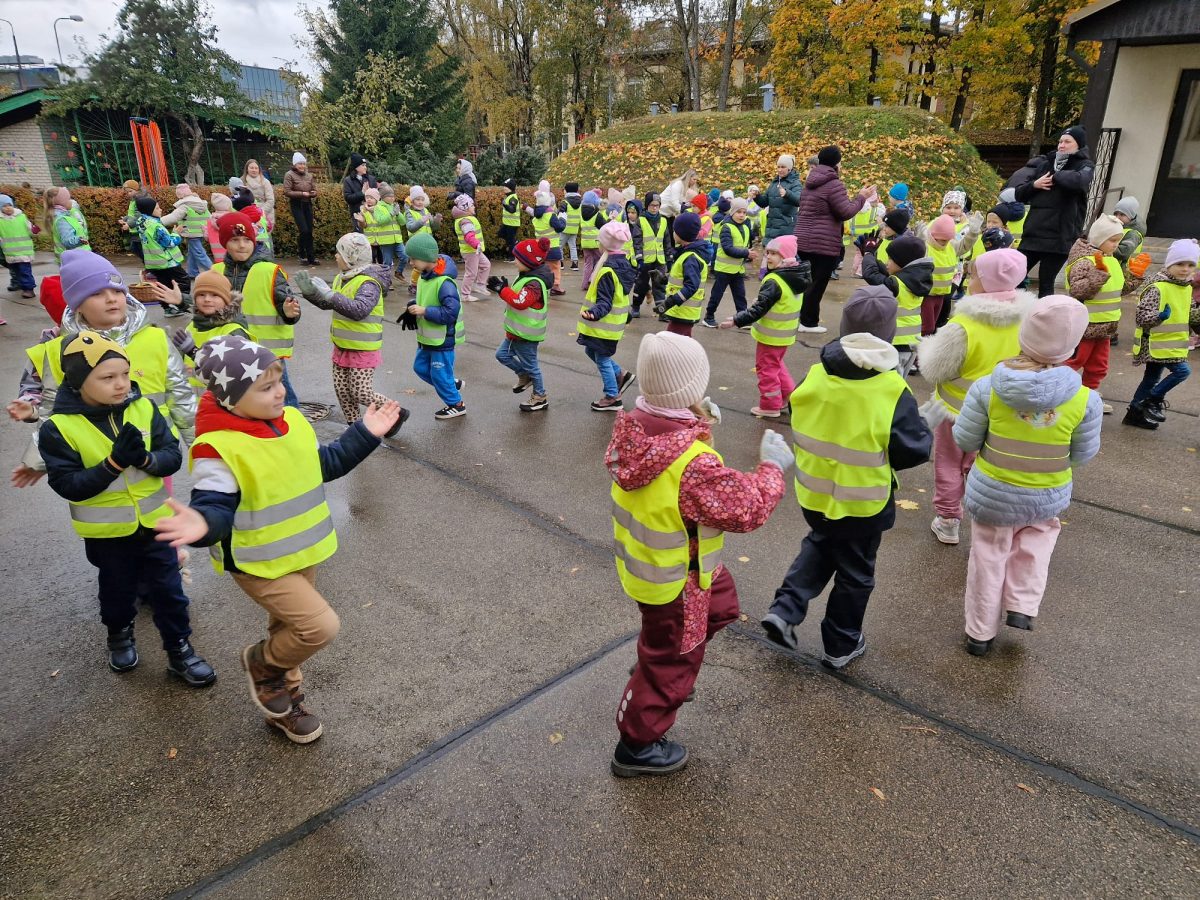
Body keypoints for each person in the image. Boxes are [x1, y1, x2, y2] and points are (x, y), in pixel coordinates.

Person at [154, 335, 401, 743]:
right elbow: (214, 504)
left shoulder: (293, 421)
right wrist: (202, 524)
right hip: (259, 563)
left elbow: (325, 464)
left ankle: (284, 703)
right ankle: (262, 665)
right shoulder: (218, 447)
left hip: (302, 551)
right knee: (318, 627)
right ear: (233, 399)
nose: (280, 391)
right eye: (265, 387)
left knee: (289, 627)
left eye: (279, 381)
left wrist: (365, 433)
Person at [607, 331, 786, 777]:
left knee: (720, 606)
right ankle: (637, 744)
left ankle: (660, 662)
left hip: (658, 566)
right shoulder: (692, 463)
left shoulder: (636, 425)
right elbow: (744, 509)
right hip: (678, 580)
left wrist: (698, 421)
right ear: (689, 389)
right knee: (672, 658)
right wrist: (771, 469)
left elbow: (673, 452)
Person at [761, 286, 932, 668]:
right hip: (862, 502)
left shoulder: (815, 375)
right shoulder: (891, 388)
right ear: (889, 335)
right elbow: (912, 450)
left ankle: (786, 609)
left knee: (821, 543)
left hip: (815, 493)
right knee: (855, 573)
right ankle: (841, 644)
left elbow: (799, 413)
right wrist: (924, 427)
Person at [39, 331, 215, 685]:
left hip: (157, 526)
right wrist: (113, 464)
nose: (121, 384)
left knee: (169, 592)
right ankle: (119, 635)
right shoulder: (59, 427)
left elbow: (171, 456)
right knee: (118, 592)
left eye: (125, 373)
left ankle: (179, 649)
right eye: (108, 377)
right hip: (108, 535)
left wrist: (147, 459)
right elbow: (67, 484)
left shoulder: (144, 408)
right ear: (78, 380)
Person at [953, 296, 1101, 656]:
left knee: (988, 557)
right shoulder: (1086, 400)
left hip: (993, 491)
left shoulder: (987, 388)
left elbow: (966, 440)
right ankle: (1022, 604)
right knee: (1037, 542)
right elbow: (1082, 454)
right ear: (1072, 346)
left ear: (1024, 336)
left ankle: (979, 633)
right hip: (1047, 492)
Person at [10, 250, 196, 488]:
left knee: (155, 505)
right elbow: (51, 408)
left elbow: (181, 396)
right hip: (92, 455)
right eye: (96, 293)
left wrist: (201, 448)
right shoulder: (61, 350)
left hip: (153, 450)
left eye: (117, 291)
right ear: (77, 305)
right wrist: (37, 461)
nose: (111, 299)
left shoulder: (156, 338)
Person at [916, 248, 1033, 547]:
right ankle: (989, 520)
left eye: (974, 275)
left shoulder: (963, 325)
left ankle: (948, 519)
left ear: (987, 281)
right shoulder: (1028, 320)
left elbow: (933, 369)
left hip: (956, 410)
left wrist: (925, 347)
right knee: (985, 465)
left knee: (949, 463)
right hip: (1002, 411)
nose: (968, 280)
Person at [292, 233, 409, 433]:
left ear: (352, 256)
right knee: (343, 391)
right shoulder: (342, 277)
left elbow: (359, 310)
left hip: (363, 348)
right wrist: (310, 293)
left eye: (340, 252)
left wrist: (330, 294)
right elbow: (329, 303)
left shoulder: (369, 283)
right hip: (342, 345)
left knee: (360, 392)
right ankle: (354, 429)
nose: (336, 256)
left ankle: (396, 412)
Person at [211, 212, 302, 408]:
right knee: (246, 397)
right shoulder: (216, 272)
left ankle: (293, 425)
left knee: (282, 398)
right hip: (234, 350)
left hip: (267, 352)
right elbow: (205, 307)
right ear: (225, 243)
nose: (242, 245)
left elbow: (288, 306)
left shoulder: (269, 271)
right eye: (235, 240)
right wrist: (182, 301)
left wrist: (289, 313)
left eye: (247, 240)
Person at [719, 235, 812, 418]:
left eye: (774, 254)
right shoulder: (795, 276)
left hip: (771, 336)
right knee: (776, 365)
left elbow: (758, 309)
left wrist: (736, 320)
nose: (768, 257)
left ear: (786, 257)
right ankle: (789, 394)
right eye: (768, 252)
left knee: (766, 369)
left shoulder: (774, 281)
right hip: (784, 335)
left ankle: (770, 405)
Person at [793, 146, 877, 334]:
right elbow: (845, 211)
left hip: (803, 239)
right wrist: (861, 198)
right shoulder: (834, 184)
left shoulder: (809, 182)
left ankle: (797, 317)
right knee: (817, 284)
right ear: (836, 163)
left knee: (805, 281)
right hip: (823, 243)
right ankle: (808, 322)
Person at [1063, 214, 1140, 413]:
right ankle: (1062, 393)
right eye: (1112, 240)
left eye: (1118, 240)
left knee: (1098, 365)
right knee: (1073, 361)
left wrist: (1135, 277)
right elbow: (1078, 290)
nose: (1116, 245)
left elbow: (1118, 289)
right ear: (1099, 238)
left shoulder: (1111, 260)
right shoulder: (1084, 261)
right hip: (1085, 327)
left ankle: (1088, 395)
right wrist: (1098, 276)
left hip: (1106, 328)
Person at [1124, 239, 1200, 430]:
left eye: (1190, 265)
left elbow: (1190, 314)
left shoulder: (1185, 286)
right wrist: (1159, 316)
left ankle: (1134, 413)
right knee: (1182, 372)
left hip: (1171, 344)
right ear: (1169, 263)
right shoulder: (1157, 286)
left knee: (1151, 379)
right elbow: (1142, 317)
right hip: (1155, 342)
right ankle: (1152, 399)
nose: (1185, 269)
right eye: (1180, 263)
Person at [1012, 126, 1095, 297]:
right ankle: (1018, 310)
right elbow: (1018, 193)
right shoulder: (1045, 164)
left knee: (1046, 282)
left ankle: (1045, 313)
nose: (1061, 145)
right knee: (1014, 277)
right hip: (1033, 234)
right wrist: (1034, 185)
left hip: (1060, 237)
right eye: (1060, 141)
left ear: (1078, 145)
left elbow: (1079, 181)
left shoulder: (1084, 165)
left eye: (1067, 142)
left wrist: (1057, 174)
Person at [402, 232, 467, 420]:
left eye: (413, 258)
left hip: (442, 340)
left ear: (425, 257)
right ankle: (450, 383)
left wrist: (424, 311)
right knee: (420, 368)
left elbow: (450, 313)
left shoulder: (444, 283)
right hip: (428, 338)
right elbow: (427, 299)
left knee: (439, 375)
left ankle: (456, 404)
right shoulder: (425, 277)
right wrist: (414, 305)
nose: (410, 263)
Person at [487, 237, 553, 412]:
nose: (515, 262)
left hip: (526, 335)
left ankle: (540, 396)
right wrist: (506, 288)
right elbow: (518, 295)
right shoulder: (526, 275)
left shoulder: (534, 283)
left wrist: (502, 290)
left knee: (532, 366)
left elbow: (520, 301)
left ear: (528, 262)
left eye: (518, 259)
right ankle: (524, 375)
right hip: (515, 332)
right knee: (502, 355)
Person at [579, 221, 638, 412]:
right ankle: (621, 374)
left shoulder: (607, 270)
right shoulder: (623, 264)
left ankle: (612, 397)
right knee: (591, 351)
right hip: (612, 325)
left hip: (605, 325)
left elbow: (605, 301)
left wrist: (593, 313)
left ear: (604, 244)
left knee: (602, 359)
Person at [860, 232, 934, 373]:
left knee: (888, 381)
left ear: (902, 262)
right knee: (899, 381)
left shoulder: (896, 284)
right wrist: (872, 256)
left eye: (890, 259)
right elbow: (886, 272)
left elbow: (872, 275)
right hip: (911, 342)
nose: (887, 262)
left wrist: (868, 254)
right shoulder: (917, 279)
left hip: (894, 342)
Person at [169, 269, 251, 391]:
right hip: (191, 400)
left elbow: (235, 375)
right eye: (201, 295)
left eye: (215, 295)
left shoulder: (234, 332)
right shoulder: (192, 326)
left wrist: (194, 353)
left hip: (220, 401)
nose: (207, 299)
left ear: (226, 300)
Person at [133, 195, 191, 318]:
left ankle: (168, 309)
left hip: (154, 262)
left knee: (163, 284)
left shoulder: (141, 222)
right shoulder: (156, 226)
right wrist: (176, 233)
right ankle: (180, 304)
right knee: (183, 281)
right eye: (157, 208)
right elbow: (169, 243)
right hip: (167, 261)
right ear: (150, 210)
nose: (160, 210)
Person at [702, 198, 757, 327]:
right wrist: (746, 253)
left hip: (737, 269)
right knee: (717, 295)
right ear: (732, 212)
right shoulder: (726, 227)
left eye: (744, 212)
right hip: (724, 269)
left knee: (740, 295)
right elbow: (728, 249)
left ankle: (742, 318)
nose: (742, 215)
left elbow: (744, 245)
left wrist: (748, 253)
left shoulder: (745, 227)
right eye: (739, 212)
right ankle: (709, 316)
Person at [659, 212, 709, 337]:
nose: (673, 233)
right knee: (679, 342)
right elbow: (681, 278)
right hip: (681, 312)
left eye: (675, 230)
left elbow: (691, 286)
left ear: (681, 234)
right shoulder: (686, 253)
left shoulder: (690, 258)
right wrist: (663, 279)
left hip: (684, 312)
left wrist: (671, 301)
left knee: (673, 343)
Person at [160, 184, 212, 278]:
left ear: (180, 195)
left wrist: (158, 221)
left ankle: (214, 272)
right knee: (192, 253)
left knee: (199, 253)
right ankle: (192, 272)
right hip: (201, 231)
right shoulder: (200, 204)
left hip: (192, 232)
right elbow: (209, 217)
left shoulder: (185, 205)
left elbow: (173, 217)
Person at [631, 192, 668, 318]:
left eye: (657, 205)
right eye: (652, 205)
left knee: (660, 286)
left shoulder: (663, 221)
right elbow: (637, 241)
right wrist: (639, 258)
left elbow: (667, 241)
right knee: (641, 285)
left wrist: (669, 257)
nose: (654, 208)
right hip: (645, 260)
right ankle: (636, 307)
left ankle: (662, 311)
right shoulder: (641, 221)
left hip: (659, 260)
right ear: (647, 206)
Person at [403, 186, 443, 298]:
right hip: (416, 244)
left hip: (427, 243)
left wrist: (437, 221)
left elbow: (433, 227)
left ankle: (425, 282)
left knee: (427, 264)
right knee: (418, 266)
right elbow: (410, 227)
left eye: (422, 199)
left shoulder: (426, 211)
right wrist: (422, 220)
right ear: (412, 201)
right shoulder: (409, 212)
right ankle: (413, 285)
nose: (420, 202)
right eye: (417, 199)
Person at [451, 193, 491, 301]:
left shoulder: (466, 218)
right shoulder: (465, 221)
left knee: (486, 265)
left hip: (475, 250)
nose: (474, 206)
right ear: (466, 208)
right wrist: (476, 244)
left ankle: (480, 285)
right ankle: (465, 295)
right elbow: (469, 236)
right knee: (471, 273)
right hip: (471, 251)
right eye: (472, 205)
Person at [528, 190, 567, 295]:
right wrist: (563, 217)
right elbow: (560, 227)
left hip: (539, 248)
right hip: (552, 247)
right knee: (555, 267)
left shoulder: (536, 216)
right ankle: (555, 286)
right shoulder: (550, 215)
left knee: (542, 268)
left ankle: (540, 286)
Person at [283, 152, 319, 266]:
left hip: (307, 204)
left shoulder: (309, 175)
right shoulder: (289, 175)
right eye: (300, 164)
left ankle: (311, 257)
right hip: (296, 204)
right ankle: (302, 254)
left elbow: (314, 189)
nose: (302, 166)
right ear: (295, 165)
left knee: (309, 231)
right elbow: (287, 191)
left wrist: (313, 193)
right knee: (304, 230)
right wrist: (302, 193)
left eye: (303, 164)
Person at [0, 193, 37, 301]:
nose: (8, 208)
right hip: (10, 253)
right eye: (4, 206)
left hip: (24, 251)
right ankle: (20, 284)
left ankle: (29, 289)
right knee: (16, 271)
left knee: (25, 271)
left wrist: (34, 230)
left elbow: (30, 229)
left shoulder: (21, 217)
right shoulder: (1, 221)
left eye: (9, 205)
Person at [765, 155, 803, 243]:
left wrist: (787, 194)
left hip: (786, 228)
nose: (779, 170)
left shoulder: (795, 183)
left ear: (789, 168)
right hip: (771, 228)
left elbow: (799, 201)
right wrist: (757, 196)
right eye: (778, 167)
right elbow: (764, 202)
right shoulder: (774, 183)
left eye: (783, 167)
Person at [46, 187, 90, 262]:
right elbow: (66, 241)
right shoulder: (62, 220)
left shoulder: (67, 216)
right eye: (69, 199)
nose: (71, 201)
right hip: (73, 260)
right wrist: (79, 240)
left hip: (78, 257)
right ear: (63, 202)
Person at [579, 191, 605, 292]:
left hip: (585, 242)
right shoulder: (597, 214)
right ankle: (591, 279)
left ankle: (585, 284)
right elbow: (604, 226)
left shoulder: (581, 213)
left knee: (588, 263)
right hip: (595, 243)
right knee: (600, 261)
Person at [342, 153, 377, 230]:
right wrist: (362, 193)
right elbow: (348, 198)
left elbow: (378, 196)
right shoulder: (348, 181)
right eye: (363, 165)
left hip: (373, 213)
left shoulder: (371, 179)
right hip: (358, 214)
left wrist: (370, 193)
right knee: (361, 236)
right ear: (356, 167)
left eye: (365, 165)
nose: (365, 167)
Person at [241, 159, 275, 229]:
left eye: (256, 168)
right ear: (247, 169)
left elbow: (271, 200)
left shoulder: (265, 182)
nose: (254, 170)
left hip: (264, 213)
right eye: (251, 168)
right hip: (247, 214)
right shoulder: (242, 181)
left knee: (264, 235)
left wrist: (261, 212)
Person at [499, 178, 521, 259]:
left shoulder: (513, 198)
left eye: (506, 187)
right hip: (507, 223)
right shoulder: (508, 196)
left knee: (510, 242)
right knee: (501, 234)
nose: (504, 188)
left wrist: (504, 204)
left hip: (512, 223)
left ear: (511, 188)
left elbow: (512, 210)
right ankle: (516, 242)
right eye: (504, 186)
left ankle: (511, 257)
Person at [562, 182, 582, 270]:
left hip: (565, 228)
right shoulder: (580, 202)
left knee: (559, 246)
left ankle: (560, 263)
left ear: (567, 191)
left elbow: (560, 214)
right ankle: (575, 263)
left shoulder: (565, 202)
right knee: (573, 246)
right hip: (574, 228)